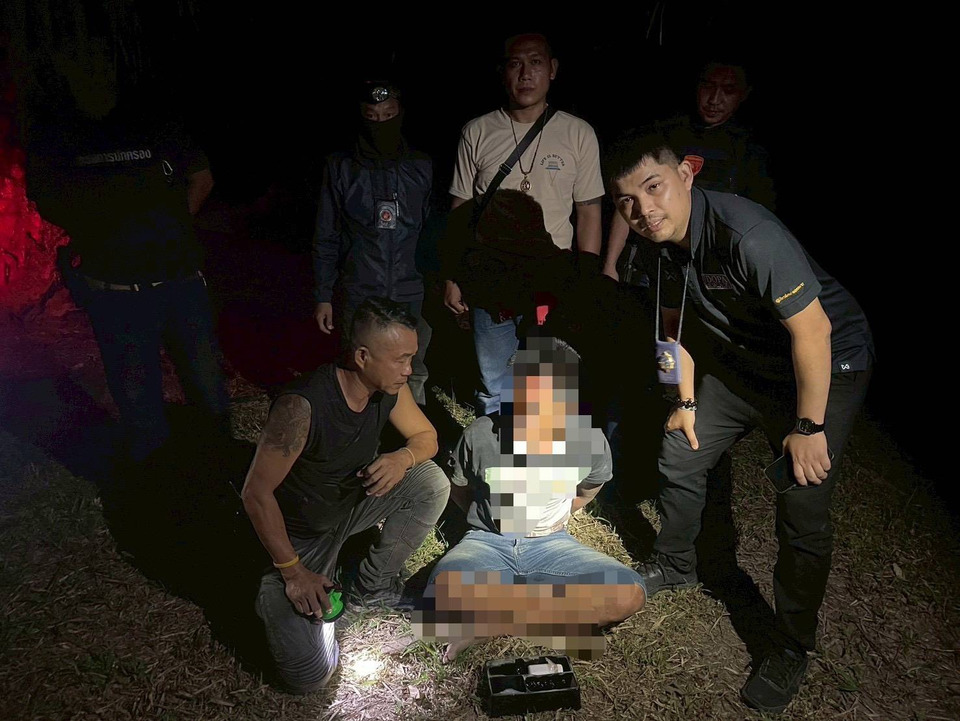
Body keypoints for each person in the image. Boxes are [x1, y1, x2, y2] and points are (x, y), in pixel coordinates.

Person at [606, 130, 873, 714]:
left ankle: (791, 644)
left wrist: (808, 428)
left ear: (687, 173)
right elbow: (672, 330)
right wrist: (685, 402)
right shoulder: (657, 246)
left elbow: (814, 331)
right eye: (626, 200)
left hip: (825, 362)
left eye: (654, 187)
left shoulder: (747, 234)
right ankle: (676, 564)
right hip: (747, 362)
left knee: (801, 498)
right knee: (681, 451)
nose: (643, 210)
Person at [24, 41, 227, 464]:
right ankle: (154, 477)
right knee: (137, 398)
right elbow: (45, 197)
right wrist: (99, 233)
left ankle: (219, 466)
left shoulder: (154, 121)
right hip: (114, 290)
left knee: (208, 389)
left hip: (180, 283)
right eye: (83, 67)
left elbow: (202, 177)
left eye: (101, 65)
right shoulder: (59, 134)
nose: (94, 76)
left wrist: (170, 227)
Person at [241, 297, 450, 693]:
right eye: (400, 360)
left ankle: (371, 588)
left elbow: (427, 437)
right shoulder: (302, 406)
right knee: (310, 677)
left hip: (349, 504)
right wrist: (293, 572)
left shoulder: (387, 389)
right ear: (362, 356)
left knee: (430, 482)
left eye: (411, 358)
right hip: (300, 536)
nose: (409, 370)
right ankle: (284, 591)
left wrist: (402, 458)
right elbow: (255, 494)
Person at [414, 336, 645, 662]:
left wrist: (559, 516)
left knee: (628, 594)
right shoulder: (480, 433)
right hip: (486, 542)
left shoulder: (590, 441)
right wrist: (484, 522)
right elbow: (459, 487)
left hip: (553, 545)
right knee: (440, 600)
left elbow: (589, 487)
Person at [443, 33, 605, 416]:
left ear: (553, 69)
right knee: (494, 383)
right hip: (490, 279)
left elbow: (589, 210)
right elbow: (460, 210)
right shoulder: (477, 131)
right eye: (516, 63)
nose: (526, 73)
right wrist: (452, 275)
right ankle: (497, 447)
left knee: (549, 382)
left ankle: (543, 449)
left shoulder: (578, 133)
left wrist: (587, 277)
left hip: (552, 279)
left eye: (536, 62)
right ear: (502, 72)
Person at [313, 80, 433, 404]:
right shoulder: (340, 167)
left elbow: (431, 233)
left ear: (401, 114)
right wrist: (323, 295)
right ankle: (356, 427)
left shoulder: (421, 166)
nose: (380, 124)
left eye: (388, 115)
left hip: (410, 289)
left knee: (410, 367)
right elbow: (326, 234)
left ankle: (410, 430)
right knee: (358, 366)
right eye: (372, 117)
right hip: (360, 289)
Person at [602, 60, 775, 284]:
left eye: (728, 90)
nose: (714, 99)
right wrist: (610, 264)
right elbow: (628, 196)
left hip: (715, 265)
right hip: (655, 260)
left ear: (744, 94)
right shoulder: (665, 133)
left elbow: (758, 222)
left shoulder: (750, 150)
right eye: (708, 86)